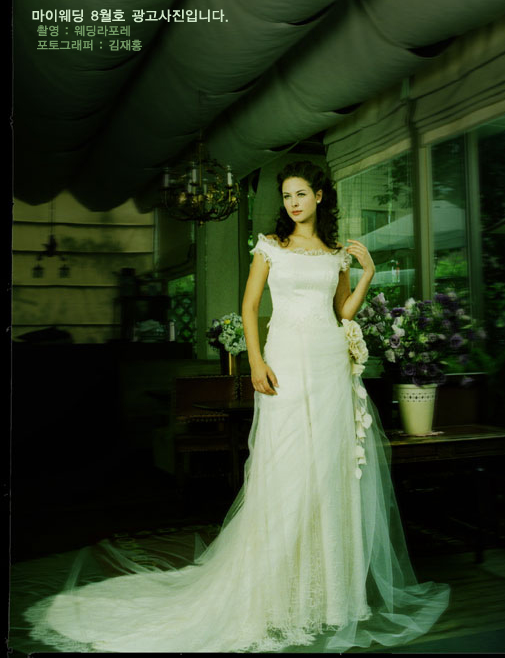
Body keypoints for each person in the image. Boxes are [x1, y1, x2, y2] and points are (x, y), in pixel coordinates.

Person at [21, 161, 449, 653]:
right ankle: (277, 593)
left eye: (301, 193)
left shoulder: (336, 254)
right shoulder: (270, 246)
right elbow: (249, 307)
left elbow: (341, 312)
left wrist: (367, 273)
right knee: (286, 467)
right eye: (286, 195)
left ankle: (328, 597)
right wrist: (256, 362)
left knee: (328, 470)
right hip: (284, 364)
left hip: (330, 364)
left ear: (320, 196)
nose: (293, 202)